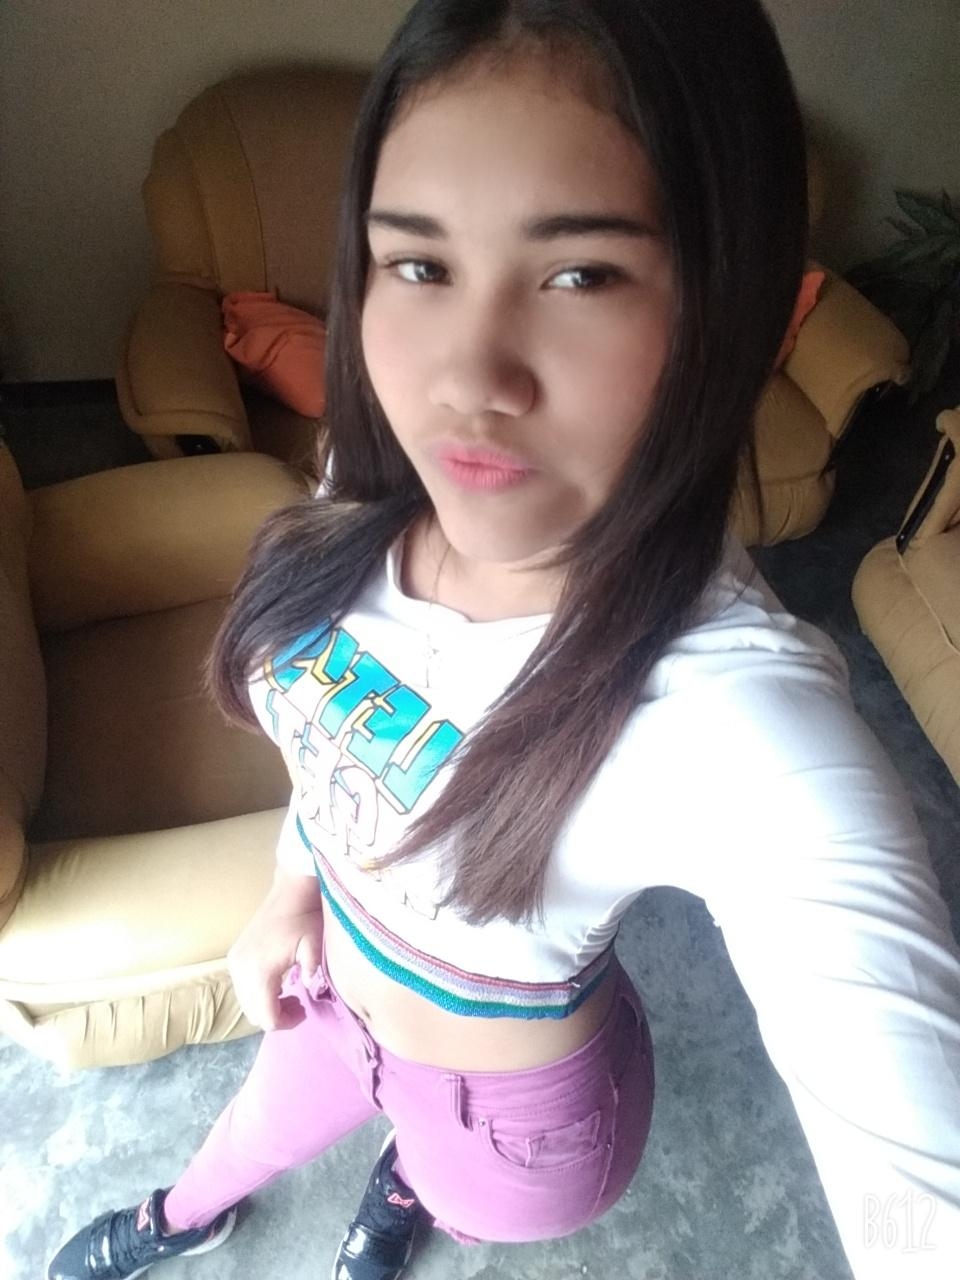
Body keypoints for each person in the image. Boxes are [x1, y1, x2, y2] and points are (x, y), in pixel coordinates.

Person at [48, 1, 960, 1278]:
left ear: (740, 314)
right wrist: (291, 887)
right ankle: (178, 1218)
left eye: (581, 273)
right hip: (330, 996)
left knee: (447, 1184)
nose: (467, 379)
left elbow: (924, 1195)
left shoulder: (738, 715)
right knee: (238, 1142)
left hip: (514, 1123)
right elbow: (342, 746)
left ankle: (410, 1191)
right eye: (419, 266)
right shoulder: (363, 489)